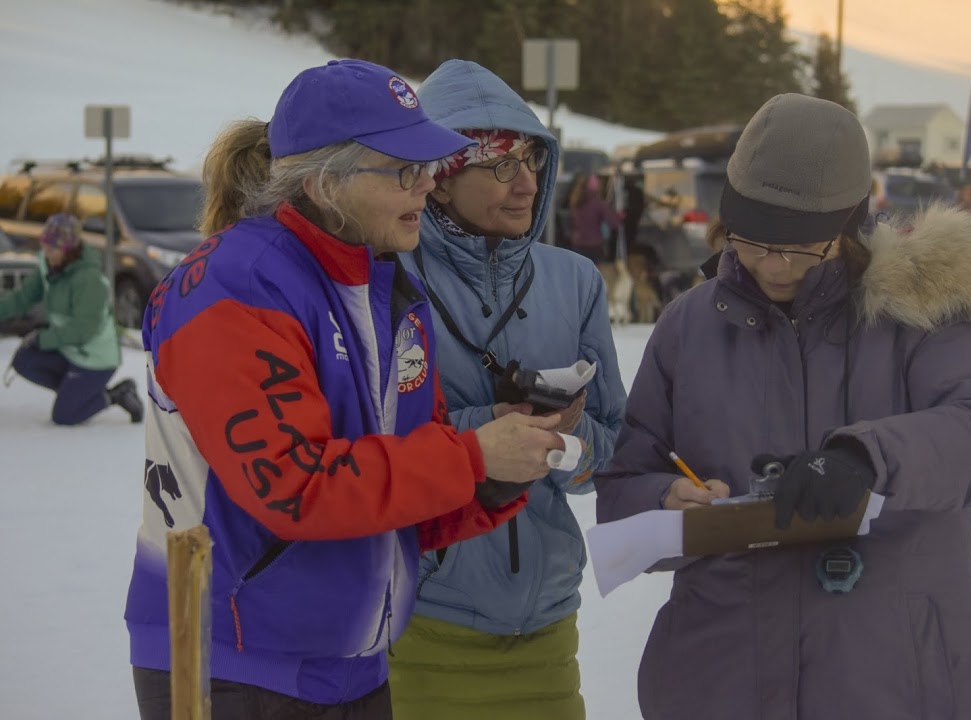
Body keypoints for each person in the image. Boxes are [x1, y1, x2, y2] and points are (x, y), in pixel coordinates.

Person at [124, 59, 568, 720]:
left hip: (352, 665)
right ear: (329, 183)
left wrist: (493, 476)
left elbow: (395, 495)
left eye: (431, 169)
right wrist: (471, 457)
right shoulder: (235, 287)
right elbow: (294, 485)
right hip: (231, 663)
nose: (426, 188)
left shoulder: (389, 292)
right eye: (405, 171)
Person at [595, 93, 971, 720]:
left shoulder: (919, 316)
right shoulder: (688, 327)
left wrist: (867, 457)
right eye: (751, 242)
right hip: (719, 682)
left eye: (801, 249)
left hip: (888, 683)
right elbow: (622, 488)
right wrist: (665, 501)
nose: (773, 266)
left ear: (850, 230)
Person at [388, 59, 627, 720]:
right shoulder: (387, 283)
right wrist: (486, 431)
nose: (527, 183)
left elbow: (614, 452)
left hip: (547, 628)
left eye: (530, 158)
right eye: (499, 165)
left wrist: (570, 436)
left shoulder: (575, 282)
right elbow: (371, 452)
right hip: (423, 623)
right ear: (438, 181)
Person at [0, 213, 143, 424]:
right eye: (45, 246)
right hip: (68, 349)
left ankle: (116, 395)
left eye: (52, 248)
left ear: (68, 250)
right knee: (24, 359)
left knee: (65, 416)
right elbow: (22, 299)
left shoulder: (88, 279)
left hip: (95, 357)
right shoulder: (49, 266)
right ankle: (76, 393)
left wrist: (43, 338)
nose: (46, 253)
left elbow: (83, 329)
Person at [569, 173, 622, 264]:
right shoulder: (598, 202)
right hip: (593, 246)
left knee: (579, 274)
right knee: (593, 274)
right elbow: (613, 223)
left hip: (577, 244)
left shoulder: (576, 200)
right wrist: (618, 216)